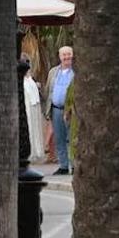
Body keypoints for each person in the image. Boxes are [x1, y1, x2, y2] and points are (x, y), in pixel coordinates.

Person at [44, 45, 75, 175]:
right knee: (59, 138)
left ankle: (74, 166)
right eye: (64, 55)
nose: (66, 57)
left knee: (72, 138)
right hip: (56, 109)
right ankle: (63, 165)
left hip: (72, 111)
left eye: (69, 54)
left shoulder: (76, 72)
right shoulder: (53, 72)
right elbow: (48, 90)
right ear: (60, 56)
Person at [22, 62, 46, 162]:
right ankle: (30, 153)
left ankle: (37, 152)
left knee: (36, 128)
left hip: (34, 107)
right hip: (27, 107)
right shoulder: (22, 80)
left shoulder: (31, 79)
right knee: (30, 128)